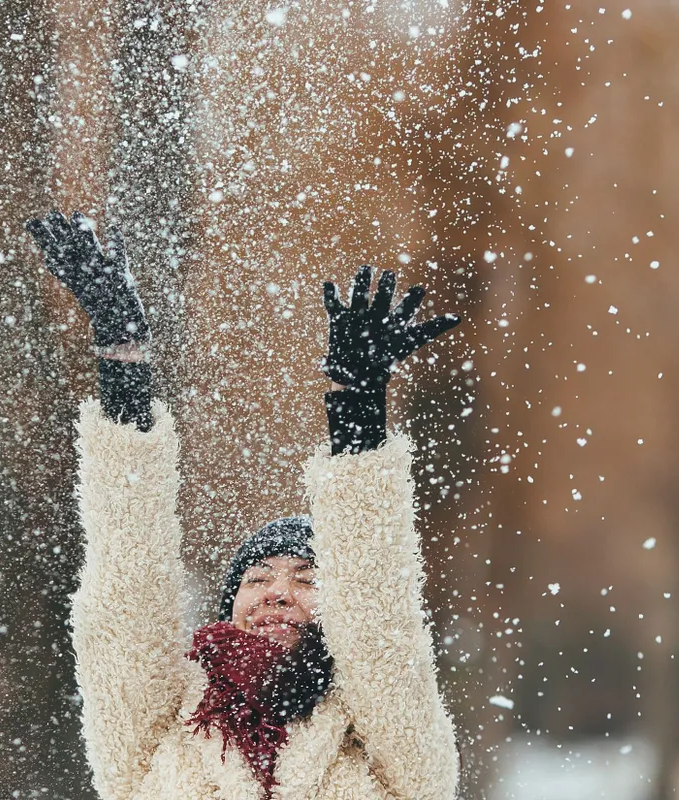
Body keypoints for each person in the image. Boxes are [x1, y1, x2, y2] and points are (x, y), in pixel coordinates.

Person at [26, 210, 461, 800]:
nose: (276, 592)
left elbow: (378, 616)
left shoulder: (384, 743)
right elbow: (127, 593)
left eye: (307, 578)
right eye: (257, 577)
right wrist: (121, 359)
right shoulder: (162, 725)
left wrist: (357, 414)